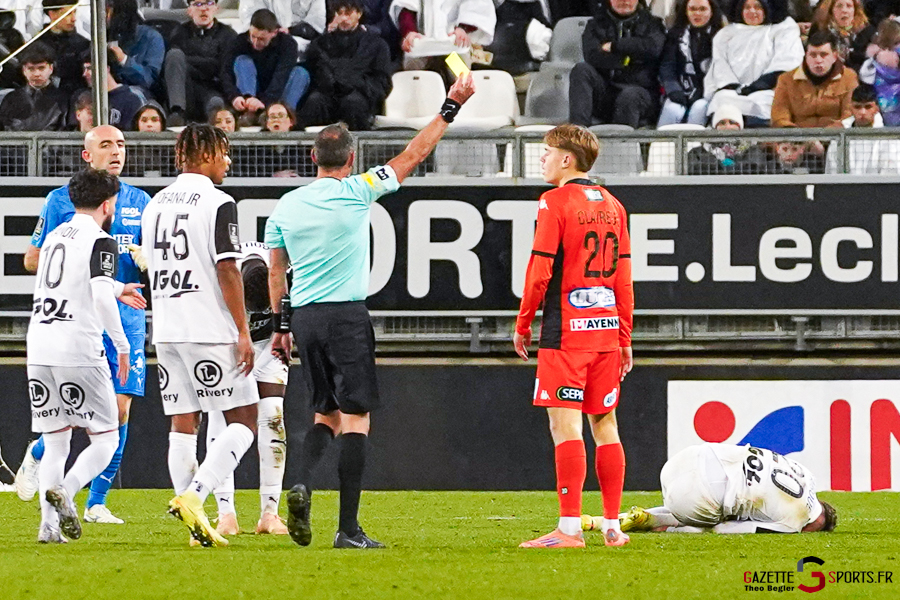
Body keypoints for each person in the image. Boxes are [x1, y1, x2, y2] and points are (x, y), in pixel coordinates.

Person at [265, 72, 476, 550]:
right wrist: (450, 105)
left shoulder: (286, 206)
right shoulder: (358, 190)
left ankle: (299, 482)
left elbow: (277, 273)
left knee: (325, 413)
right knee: (356, 418)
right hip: (345, 317)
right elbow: (413, 155)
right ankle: (348, 529)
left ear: (312, 157)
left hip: (305, 319)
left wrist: (282, 325)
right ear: (352, 158)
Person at [16, 126, 150, 525]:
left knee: (120, 409)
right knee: (93, 425)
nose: (116, 151)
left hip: (121, 313)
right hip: (90, 320)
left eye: (122, 145)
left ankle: (95, 503)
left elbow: (155, 260)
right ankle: (46, 466)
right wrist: (98, 275)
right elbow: (32, 260)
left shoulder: (141, 200)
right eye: (106, 144)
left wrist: (145, 261)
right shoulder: (63, 201)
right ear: (86, 154)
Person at [513, 124, 634, 549]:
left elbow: (540, 269)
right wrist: (624, 336)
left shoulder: (554, 202)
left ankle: (568, 531)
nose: (541, 159)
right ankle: (613, 526)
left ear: (568, 159)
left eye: (546, 152)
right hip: (604, 331)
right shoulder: (614, 205)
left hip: (566, 332)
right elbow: (623, 277)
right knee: (606, 425)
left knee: (564, 427)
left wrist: (524, 320)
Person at [141, 124, 259, 548]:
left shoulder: (154, 205)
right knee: (245, 419)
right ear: (206, 154)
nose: (227, 161)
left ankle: (197, 527)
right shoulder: (218, 201)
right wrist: (243, 330)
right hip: (207, 328)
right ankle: (196, 495)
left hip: (167, 328)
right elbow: (228, 268)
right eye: (224, 152)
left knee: (183, 422)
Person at [206, 241, 290, 537]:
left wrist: (280, 336)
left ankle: (270, 513)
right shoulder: (219, 274)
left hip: (269, 342)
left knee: (273, 416)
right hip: (227, 342)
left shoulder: (284, 268)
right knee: (221, 418)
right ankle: (225, 513)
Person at [583, 443, 838, 535]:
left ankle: (604, 521)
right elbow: (728, 529)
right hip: (694, 499)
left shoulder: (805, 473)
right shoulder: (794, 523)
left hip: (687, 457)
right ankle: (662, 525)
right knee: (718, 521)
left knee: (732, 501)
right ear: (818, 523)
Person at [704, 0, 804, 126]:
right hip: (734, 91)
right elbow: (720, 65)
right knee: (722, 99)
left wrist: (758, 86)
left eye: (757, 7)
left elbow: (787, 62)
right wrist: (733, 87)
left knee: (764, 102)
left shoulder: (784, 28)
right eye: (747, 7)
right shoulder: (725, 34)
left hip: (770, 89)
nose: (752, 12)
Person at [296, 0, 392, 131]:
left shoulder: (377, 45)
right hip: (328, 94)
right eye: (339, 13)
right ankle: (309, 149)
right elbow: (313, 74)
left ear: (359, 14)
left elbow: (382, 82)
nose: (343, 18)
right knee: (314, 101)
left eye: (348, 13)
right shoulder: (320, 44)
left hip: (360, 96)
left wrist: (355, 83)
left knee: (352, 103)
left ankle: (357, 149)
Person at [569, 0, 666, 129]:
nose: (624, 2)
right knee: (581, 70)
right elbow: (592, 56)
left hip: (640, 92)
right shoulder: (595, 24)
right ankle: (577, 135)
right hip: (607, 92)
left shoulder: (653, 24)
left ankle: (621, 146)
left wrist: (615, 46)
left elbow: (653, 48)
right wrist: (628, 60)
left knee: (630, 96)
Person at [222, 9, 311, 126]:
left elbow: (281, 76)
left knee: (301, 73)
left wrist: (264, 102)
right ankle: (249, 112)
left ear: (274, 33)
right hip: (251, 90)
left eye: (261, 39)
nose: (255, 42)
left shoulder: (288, 44)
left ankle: (283, 116)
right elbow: (225, 72)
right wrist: (234, 96)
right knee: (242, 60)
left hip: (276, 93)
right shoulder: (239, 42)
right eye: (253, 36)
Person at [164, 0, 238, 126]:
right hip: (186, 89)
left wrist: (188, 61)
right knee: (174, 55)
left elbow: (223, 68)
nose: (204, 9)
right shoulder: (179, 33)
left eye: (209, 3)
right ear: (189, 10)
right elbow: (175, 64)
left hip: (213, 87)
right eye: (198, 4)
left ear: (216, 8)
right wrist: (210, 62)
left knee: (216, 105)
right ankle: (177, 112)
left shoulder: (228, 35)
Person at [657, 0, 726, 127]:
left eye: (702, 9)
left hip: (708, 93)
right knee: (672, 110)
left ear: (711, 12)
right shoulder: (675, 35)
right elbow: (667, 67)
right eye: (692, 9)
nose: (697, 13)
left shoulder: (722, 36)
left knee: (699, 109)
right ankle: (660, 146)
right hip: (680, 90)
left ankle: (694, 147)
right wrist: (673, 90)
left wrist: (701, 93)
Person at [771, 30, 858, 127]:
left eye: (823, 54)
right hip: (797, 138)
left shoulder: (849, 77)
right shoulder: (786, 80)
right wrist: (798, 139)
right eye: (813, 55)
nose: (818, 60)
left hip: (835, 138)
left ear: (834, 56)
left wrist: (825, 138)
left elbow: (848, 115)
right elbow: (779, 117)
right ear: (806, 56)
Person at [390, 0, 496, 74]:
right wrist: (409, 31)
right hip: (421, 47)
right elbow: (406, 7)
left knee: (461, 82)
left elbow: (477, 7)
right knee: (415, 82)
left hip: (455, 47)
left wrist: (463, 28)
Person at [825, 82, 900, 173]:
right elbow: (832, 175)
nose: (862, 112)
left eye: (868, 107)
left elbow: (889, 176)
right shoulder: (838, 141)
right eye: (857, 107)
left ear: (877, 108)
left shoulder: (889, 141)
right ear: (851, 108)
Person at [0, 42, 68, 131]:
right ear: (24, 70)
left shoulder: (63, 100)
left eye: (41, 68)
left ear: (51, 68)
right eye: (31, 69)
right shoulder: (11, 99)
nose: (36, 74)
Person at [687, 105, 768, 174]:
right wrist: (725, 166)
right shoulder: (698, 152)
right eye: (722, 123)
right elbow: (693, 169)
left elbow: (755, 168)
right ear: (715, 127)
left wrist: (719, 167)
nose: (727, 127)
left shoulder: (753, 149)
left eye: (732, 122)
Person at [80, 49, 149, 130]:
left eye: (89, 68)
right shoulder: (87, 98)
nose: (84, 74)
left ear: (107, 68)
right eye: (84, 69)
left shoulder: (132, 99)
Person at [106, 0, 165, 93]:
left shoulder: (151, 37)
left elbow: (148, 80)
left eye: (107, 11)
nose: (105, 17)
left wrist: (124, 60)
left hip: (136, 94)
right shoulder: (102, 37)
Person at [238, 0, 326, 59]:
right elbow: (252, 21)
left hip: (303, 51)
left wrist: (290, 31)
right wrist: (276, 32)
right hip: (265, 45)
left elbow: (316, 27)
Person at [40, 0, 90, 95]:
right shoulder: (38, 44)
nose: (74, 19)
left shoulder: (83, 44)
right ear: (52, 14)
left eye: (74, 12)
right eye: (68, 14)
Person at [808, 0, 873, 72]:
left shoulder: (866, 32)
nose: (844, 10)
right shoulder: (820, 30)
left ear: (855, 10)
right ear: (831, 10)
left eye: (849, 6)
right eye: (839, 6)